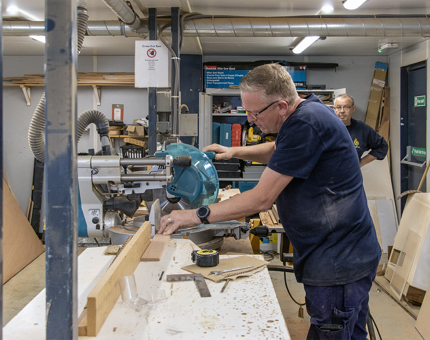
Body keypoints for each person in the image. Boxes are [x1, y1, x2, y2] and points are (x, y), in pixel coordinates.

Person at [159, 63, 381, 340]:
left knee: (333, 333)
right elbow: (278, 150)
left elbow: (262, 199)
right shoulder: (309, 110)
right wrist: (233, 152)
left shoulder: (305, 124)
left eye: (255, 112)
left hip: (338, 261)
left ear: (282, 105)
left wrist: (192, 215)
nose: (250, 120)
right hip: (348, 253)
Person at [334, 93, 388, 167]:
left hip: (352, 176)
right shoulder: (325, 128)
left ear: (353, 108)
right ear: (334, 109)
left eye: (346, 107)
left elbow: (382, 146)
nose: (342, 111)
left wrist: (361, 163)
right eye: (338, 107)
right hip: (328, 176)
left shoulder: (362, 129)